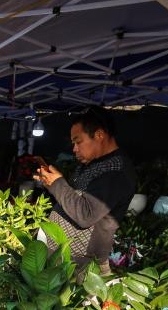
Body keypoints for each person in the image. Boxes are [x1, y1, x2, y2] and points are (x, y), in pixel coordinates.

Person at [33, 108, 136, 274]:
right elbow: (75, 199)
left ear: (99, 135)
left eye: (78, 141)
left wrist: (57, 184)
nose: (74, 149)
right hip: (63, 259)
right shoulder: (94, 163)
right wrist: (54, 183)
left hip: (81, 266)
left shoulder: (116, 170)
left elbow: (86, 215)